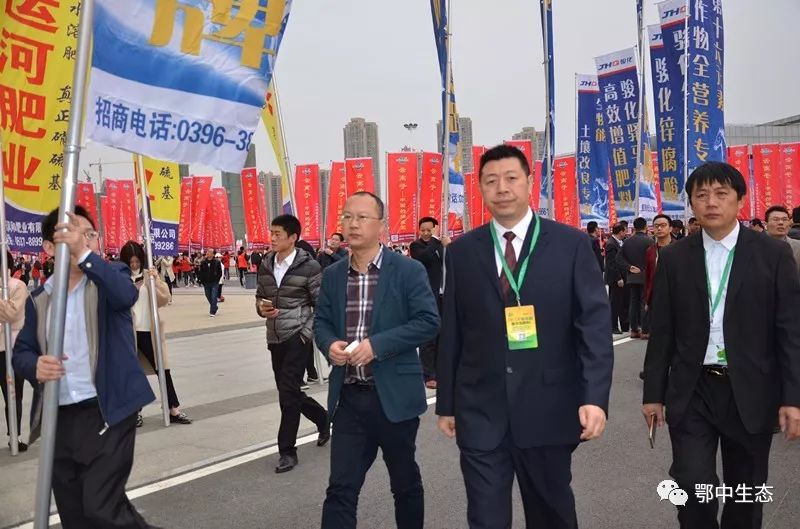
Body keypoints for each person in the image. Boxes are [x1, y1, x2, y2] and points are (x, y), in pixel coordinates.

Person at [437, 145, 613, 528]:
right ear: (480, 189)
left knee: (551, 515)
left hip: (548, 406)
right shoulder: (462, 252)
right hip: (481, 409)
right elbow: (453, 330)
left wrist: (594, 397)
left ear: (530, 182)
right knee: (486, 518)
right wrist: (446, 403)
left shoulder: (570, 244)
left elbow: (594, 327)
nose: (501, 188)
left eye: (511, 178)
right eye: (491, 181)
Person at [643, 162, 800, 529]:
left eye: (721, 194)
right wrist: (653, 394)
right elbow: (662, 330)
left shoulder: (772, 255)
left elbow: (789, 331)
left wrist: (792, 397)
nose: (711, 202)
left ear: (740, 200)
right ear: (692, 204)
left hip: (751, 388)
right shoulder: (675, 257)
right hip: (693, 388)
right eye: (701, 195)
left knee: (745, 495)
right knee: (693, 488)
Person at [13, 206, 157, 528]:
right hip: (59, 416)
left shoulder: (110, 278)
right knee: (75, 514)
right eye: (72, 234)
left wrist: (83, 254)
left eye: (89, 234)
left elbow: (126, 296)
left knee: (101, 507)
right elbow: (21, 352)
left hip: (107, 410)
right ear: (49, 247)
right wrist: (34, 365)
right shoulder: (40, 298)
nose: (83, 240)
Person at [314, 192, 439, 529]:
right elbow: (321, 321)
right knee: (340, 489)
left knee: (405, 484)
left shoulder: (408, 270)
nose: (353, 224)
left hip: (394, 398)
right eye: (347, 216)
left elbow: (428, 321)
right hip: (349, 398)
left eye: (362, 217)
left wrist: (377, 345)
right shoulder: (334, 274)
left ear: (381, 225)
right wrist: (330, 344)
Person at [256, 214, 329, 473]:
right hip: (274, 337)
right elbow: (260, 297)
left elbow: (322, 306)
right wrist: (262, 309)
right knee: (289, 392)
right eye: (271, 233)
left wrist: (305, 335)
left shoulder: (310, 267)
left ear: (293, 237)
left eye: (277, 234)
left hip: (297, 337)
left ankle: (287, 451)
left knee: (288, 395)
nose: (273, 238)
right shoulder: (266, 263)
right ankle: (323, 418)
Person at [120, 242, 192, 427]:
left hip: (149, 331)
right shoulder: (120, 277)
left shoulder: (149, 275)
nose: (134, 265)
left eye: (137, 261)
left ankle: (172, 408)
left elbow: (164, 299)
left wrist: (156, 281)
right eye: (131, 262)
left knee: (163, 370)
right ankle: (135, 412)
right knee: (133, 374)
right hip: (128, 333)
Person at [409, 216, 449, 389]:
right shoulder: (416, 246)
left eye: (429, 230)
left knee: (443, 335)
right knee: (428, 336)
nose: (425, 233)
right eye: (423, 230)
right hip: (427, 296)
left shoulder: (442, 244)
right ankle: (428, 374)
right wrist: (434, 239)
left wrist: (448, 246)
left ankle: (441, 371)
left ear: (435, 228)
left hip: (444, 295)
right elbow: (424, 258)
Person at [1, 251, 32, 452]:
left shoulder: (17, 286)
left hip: (11, 350)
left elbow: (11, 313)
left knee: (13, 395)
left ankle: (15, 435)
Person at [616, 217, 654, 339]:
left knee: (633, 303)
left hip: (632, 277)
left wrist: (629, 267)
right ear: (645, 226)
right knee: (644, 303)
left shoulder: (627, 241)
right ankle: (645, 330)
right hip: (645, 277)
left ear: (634, 227)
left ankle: (634, 329)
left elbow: (618, 258)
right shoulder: (650, 241)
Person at [604, 223, 629, 334]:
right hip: (615, 279)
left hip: (623, 276)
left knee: (623, 302)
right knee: (615, 303)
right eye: (625, 230)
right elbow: (611, 263)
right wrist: (618, 278)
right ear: (620, 231)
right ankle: (613, 326)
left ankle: (625, 325)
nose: (626, 233)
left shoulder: (620, 242)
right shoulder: (611, 244)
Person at [764, 205, 800, 276]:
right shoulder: (755, 246)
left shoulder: (798, 246)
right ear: (766, 224)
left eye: (784, 219)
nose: (781, 222)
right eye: (775, 219)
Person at [197, 249, 222, 317]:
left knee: (214, 296)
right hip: (206, 282)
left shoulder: (217, 262)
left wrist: (217, 280)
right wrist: (202, 281)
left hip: (214, 282)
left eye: (209, 252)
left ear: (213, 254)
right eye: (207, 251)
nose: (207, 253)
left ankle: (212, 311)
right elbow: (201, 272)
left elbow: (220, 272)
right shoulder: (203, 262)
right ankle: (215, 307)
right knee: (208, 295)